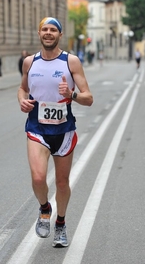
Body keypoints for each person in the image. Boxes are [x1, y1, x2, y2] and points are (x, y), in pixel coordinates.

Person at [17, 17, 93, 248]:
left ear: (60, 35)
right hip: (37, 128)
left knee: (62, 183)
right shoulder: (29, 62)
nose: (48, 33)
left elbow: (88, 98)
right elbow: (23, 88)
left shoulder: (71, 61)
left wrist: (72, 95)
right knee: (38, 177)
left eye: (53, 30)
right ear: (39, 33)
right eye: (45, 30)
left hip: (64, 130)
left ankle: (60, 223)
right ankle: (44, 209)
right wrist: (22, 101)